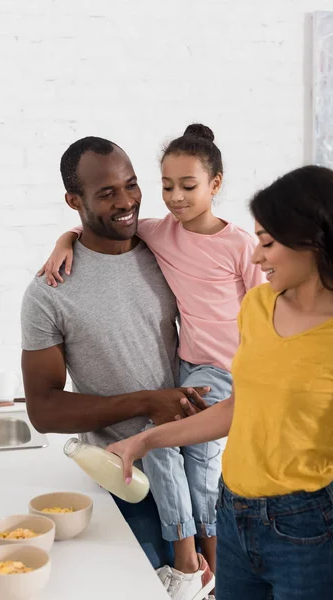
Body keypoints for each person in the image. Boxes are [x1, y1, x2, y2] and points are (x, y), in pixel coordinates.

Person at [37, 124, 264, 599]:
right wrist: (63, 240)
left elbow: (267, 309)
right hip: (187, 367)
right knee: (163, 448)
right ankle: (196, 562)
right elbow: (93, 228)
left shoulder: (240, 244)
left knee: (192, 456)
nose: (174, 198)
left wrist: (258, 382)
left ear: (215, 185)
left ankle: (203, 563)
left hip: (225, 372)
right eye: (167, 186)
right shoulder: (160, 234)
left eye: (188, 186)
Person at [105, 165, 333, 600]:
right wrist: (145, 442)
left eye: (267, 243)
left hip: (309, 526)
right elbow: (238, 408)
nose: (256, 256)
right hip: (232, 511)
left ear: (313, 241)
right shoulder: (258, 306)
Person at [20, 135, 213, 593]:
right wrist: (148, 403)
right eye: (106, 193)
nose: (126, 201)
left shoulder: (168, 251)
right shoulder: (50, 291)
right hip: (129, 479)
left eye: (131, 185)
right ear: (74, 200)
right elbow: (43, 410)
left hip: (201, 462)